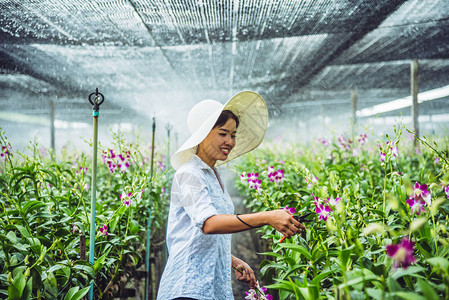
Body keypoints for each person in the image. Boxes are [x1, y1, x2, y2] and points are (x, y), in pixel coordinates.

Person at [157, 91, 305, 300]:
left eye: (233, 135)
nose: (230, 141)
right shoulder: (188, 173)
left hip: (211, 286)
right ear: (203, 133)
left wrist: (231, 260)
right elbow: (208, 224)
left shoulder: (214, 175)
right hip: (187, 286)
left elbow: (196, 236)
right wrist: (267, 217)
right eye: (223, 133)